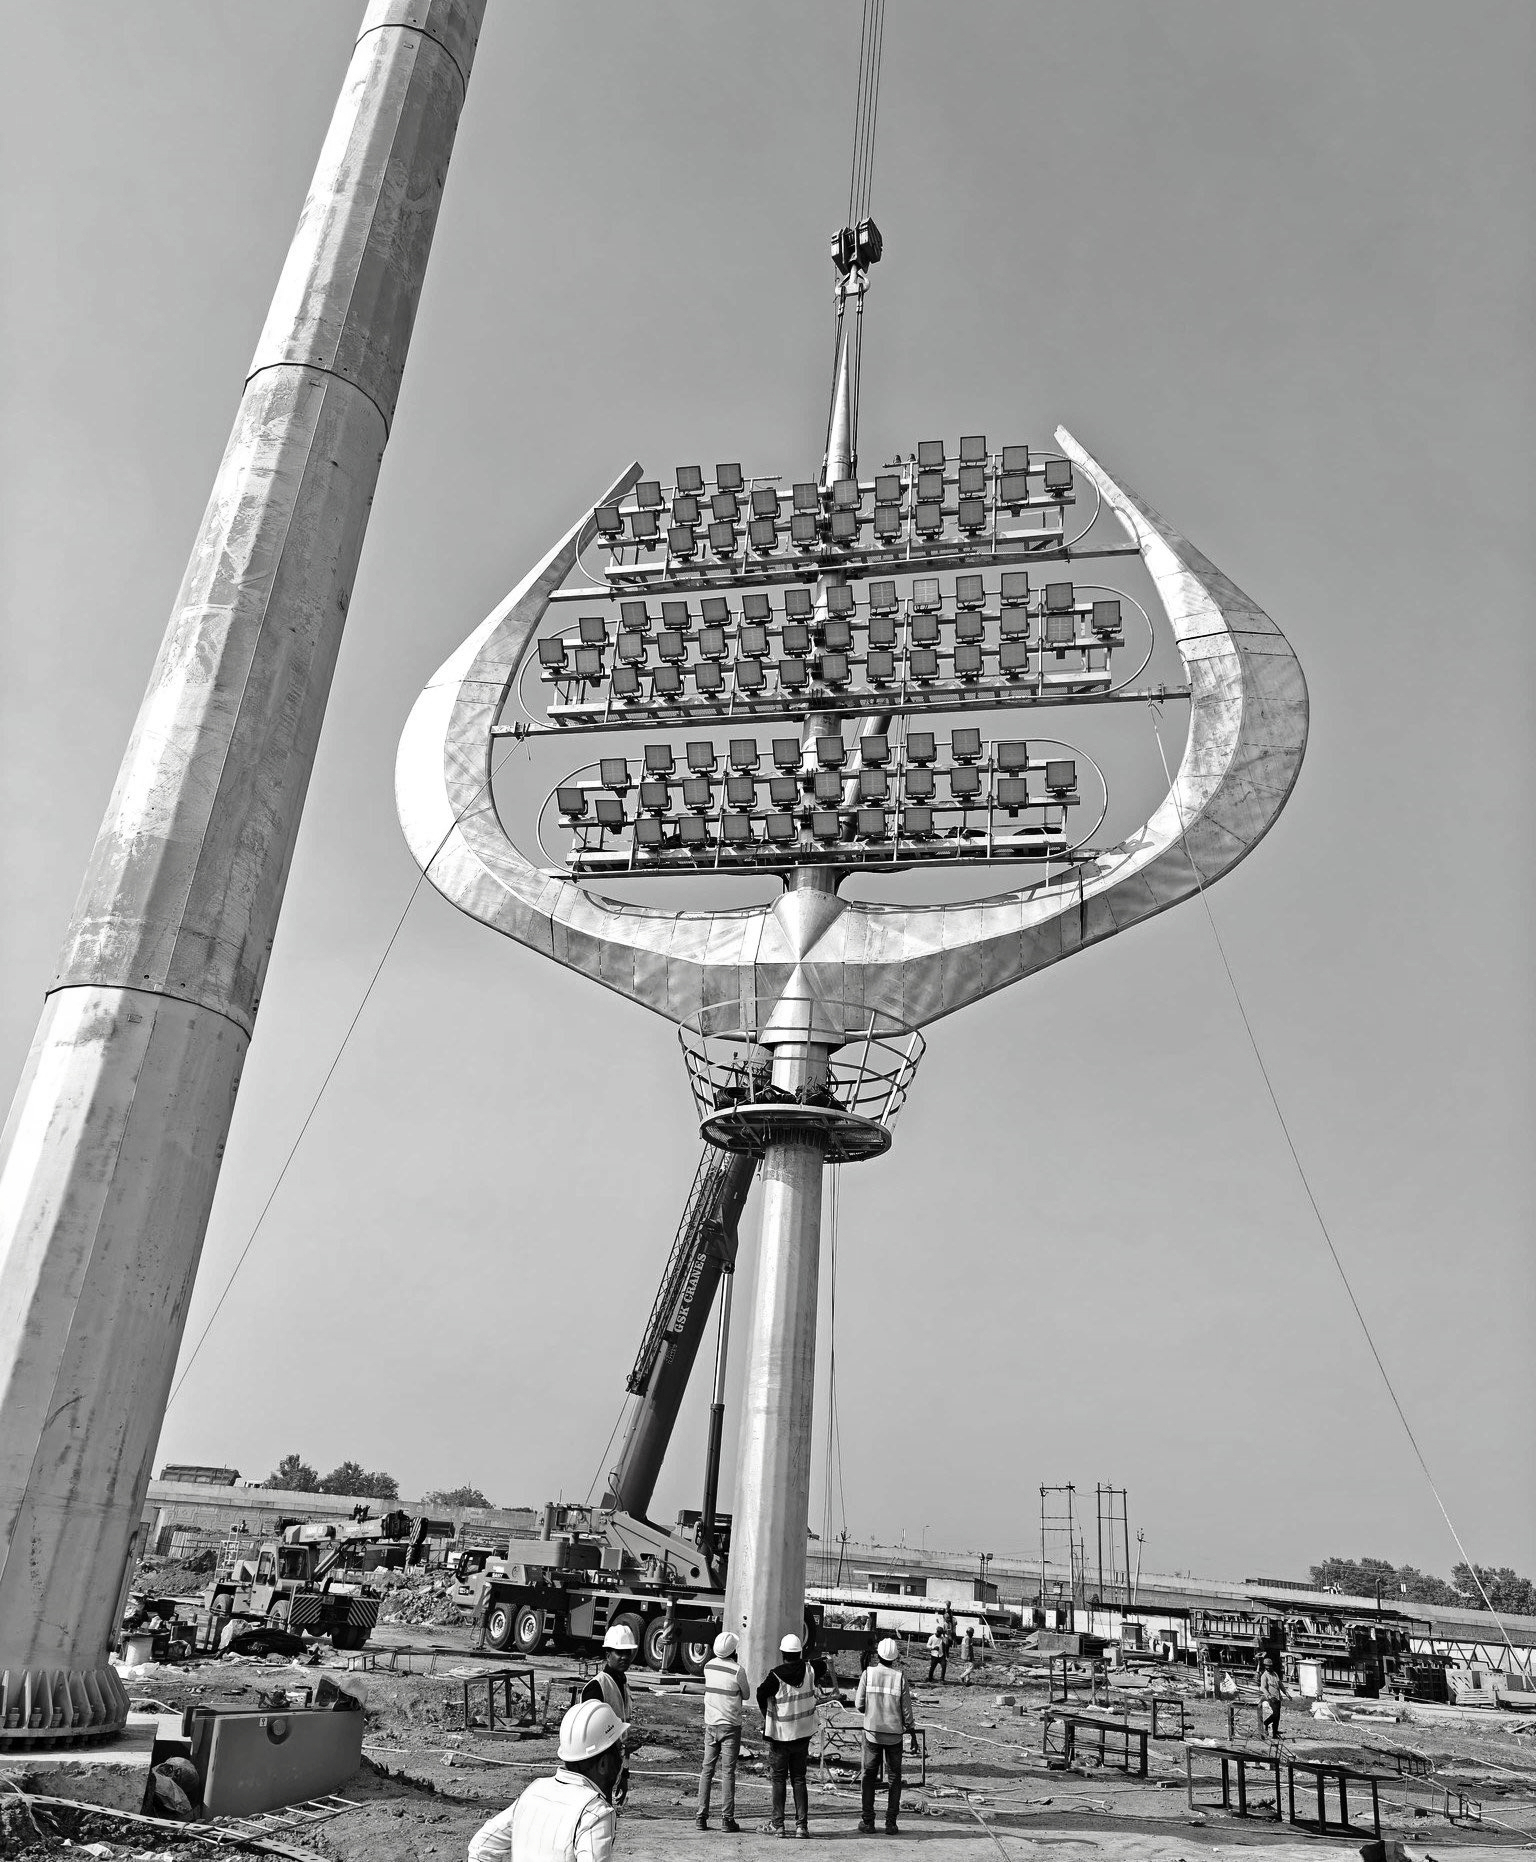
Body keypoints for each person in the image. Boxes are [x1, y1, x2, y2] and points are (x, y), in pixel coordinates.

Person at [467, 1698, 625, 1861]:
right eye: (620, 1750)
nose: (622, 1758)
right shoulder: (594, 1813)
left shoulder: (533, 1792)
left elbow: (481, 1847)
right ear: (603, 1764)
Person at [756, 1631, 819, 1838]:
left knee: (779, 1779)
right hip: (802, 1734)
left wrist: (767, 1715)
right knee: (799, 1779)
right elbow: (823, 1665)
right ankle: (802, 1826)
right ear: (800, 1652)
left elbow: (760, 1693)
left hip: (781, 1736)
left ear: (782, 1653)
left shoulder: (776, 1675)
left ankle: (778, 1825)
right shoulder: (809, 1670)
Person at [855, 1636, 919, 1835]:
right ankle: (891, 1823)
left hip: (872, 1734)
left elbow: (859, 1704)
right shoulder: (900, 1677)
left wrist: (872, 1710)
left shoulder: (868, 1674)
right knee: (894, 1778)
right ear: (895, 1657)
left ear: (878, 1654)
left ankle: (868, 1821)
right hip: (894, 1736)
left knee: (868, 1776)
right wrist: (912, 1733)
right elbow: (907, 1711)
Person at [697, 1631, 749, 1833]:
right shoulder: (738, 1671)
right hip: (730, 1727)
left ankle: (701, 1817)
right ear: (733, 1651)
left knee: (706, 1771)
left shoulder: (708, 1666)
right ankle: (727, 1819)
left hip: (711, 1725)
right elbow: (746, 1694)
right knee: (728, 1773)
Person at [582, 1624, 637, 1804]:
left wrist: (624, 1774)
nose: (624, 1657)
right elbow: (588, 1735)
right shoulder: (597, 1686)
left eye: (627, 1653)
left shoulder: (624, 1685)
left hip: (612, 1766)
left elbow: (624, 1734)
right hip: (595, 1769)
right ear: (608, 1655)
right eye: (619, 1653)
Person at [1258, 1655, 1284, 1742]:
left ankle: (1275, 1734)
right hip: (1271, 1698)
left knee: (1277, 1717)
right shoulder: (1264, 1676)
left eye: (1270, 1666)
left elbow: (1280, 1684)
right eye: (1267, 1666)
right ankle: (1266, 1723)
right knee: (1275, 1714)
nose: (1269, 1668)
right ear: (1265, 1666)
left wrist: (1286, 1693)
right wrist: (1269, 1696)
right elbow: (1263, 1688)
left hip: (1278, 1697)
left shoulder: (1275, 1674)